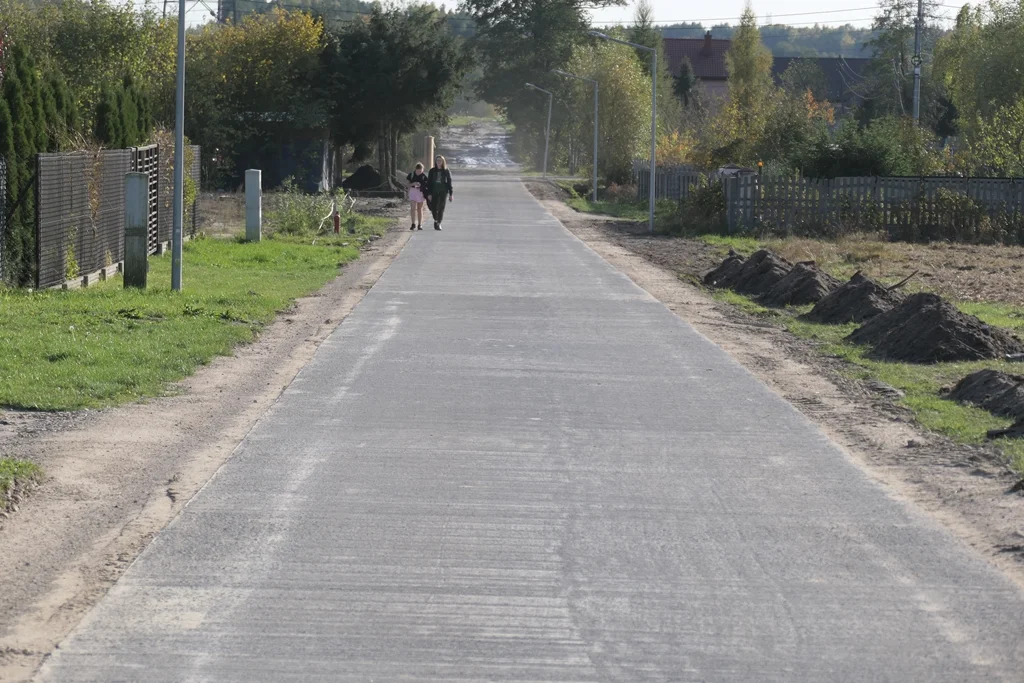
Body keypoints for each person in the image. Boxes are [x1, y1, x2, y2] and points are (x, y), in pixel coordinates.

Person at [426, 155, 453, 231]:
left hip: (443, 191)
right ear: (435, 162)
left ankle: (439, 223)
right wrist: (429, 193)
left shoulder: (446, 171)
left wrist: (451, 194)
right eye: (437, 160)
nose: (439, 162)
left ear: (443, 162)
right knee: (433, 207)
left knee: (441, 207)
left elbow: (449, 182)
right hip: (434, 191)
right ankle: (435, 219)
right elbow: (429, 183)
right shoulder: (432, 171)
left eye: (440, 161)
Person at [406, 163, 427, 231]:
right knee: (412, 208)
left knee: (419, 209)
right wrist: (413, 183)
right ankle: (413, 224)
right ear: (415, 169)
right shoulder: (411, 175)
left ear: (422, 170)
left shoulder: (424, 176)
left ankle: (420, 224)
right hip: (413, 192)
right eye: (417, 171)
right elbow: (407, 184)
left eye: (420, 171)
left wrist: (421, 185)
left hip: (420, 193)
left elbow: (427, 185)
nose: (419, 172)